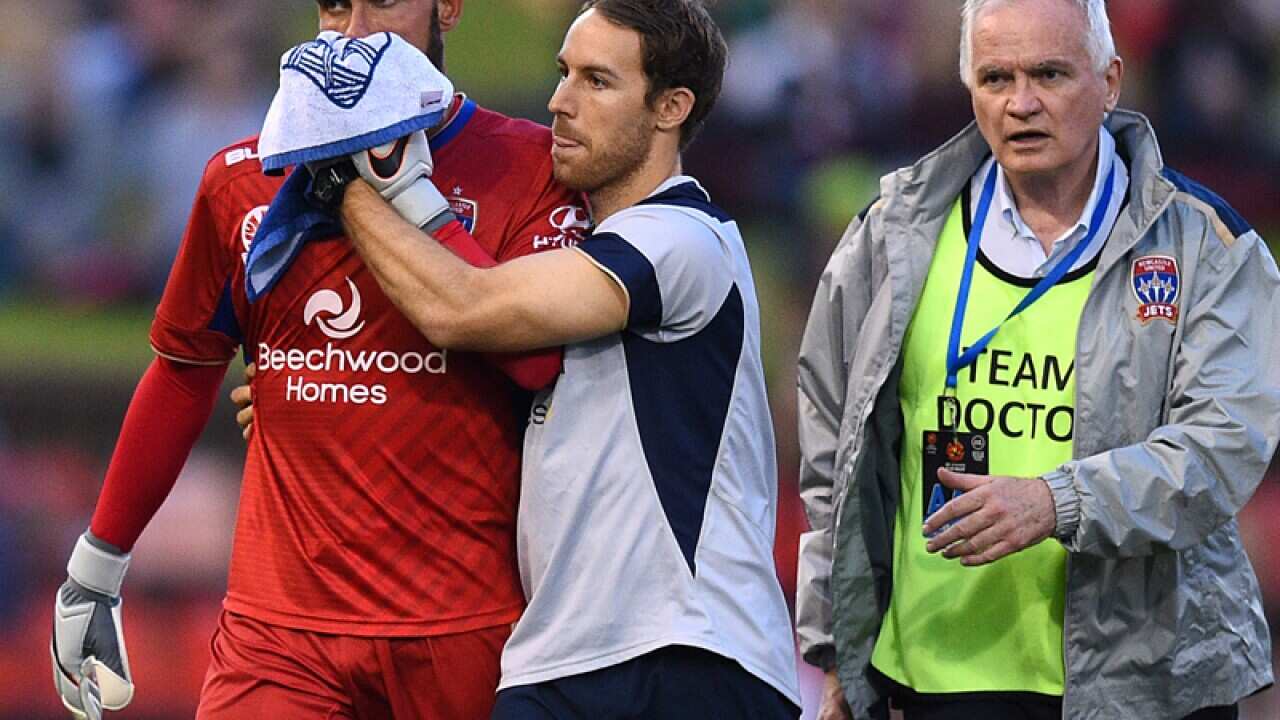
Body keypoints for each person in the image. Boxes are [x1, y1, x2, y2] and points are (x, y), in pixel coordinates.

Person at [50, 1, 587, 718]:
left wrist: (405, 194)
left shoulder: (527, 165)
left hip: (463, 630)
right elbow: (184, 370)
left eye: (385, 2)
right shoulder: (240, 178)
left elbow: (541, 366)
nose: (355, 28)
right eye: (336, 4)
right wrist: (96, 566)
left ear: (447, 10)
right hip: (278, 636)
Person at [268, 0, 802, 717]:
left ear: (671, 107)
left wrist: (350, 181)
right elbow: (480, 355)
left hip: (688, 651)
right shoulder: (582, 264)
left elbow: (462, 308)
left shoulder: (684, 239)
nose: (560, 101)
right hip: (558, 658)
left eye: (597, 82)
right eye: (562, 74)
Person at [795, 1, 1280, 719]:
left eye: (1049, 74)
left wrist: (1056, 501)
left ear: (1110, 81)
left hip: (1144, 680)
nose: (1021, 103)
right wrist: (838, 644)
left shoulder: (1205, 243)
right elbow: (834, 451)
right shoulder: (892, 237)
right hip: (943, 670)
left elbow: (1221, 446)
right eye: (995, 78)